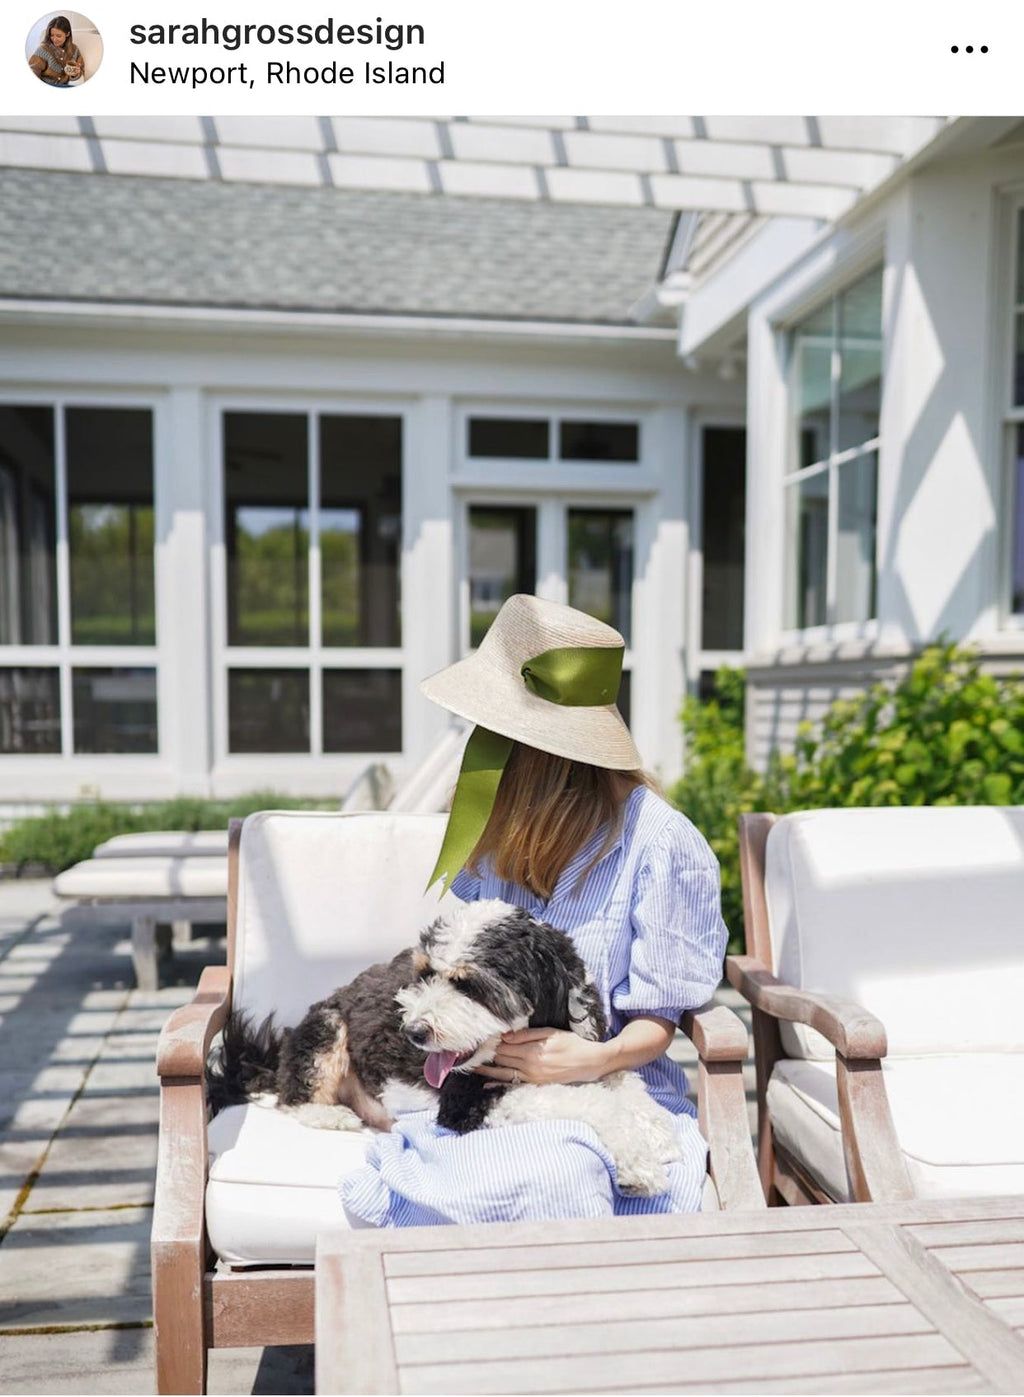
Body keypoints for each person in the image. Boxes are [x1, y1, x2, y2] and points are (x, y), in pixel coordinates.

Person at [339, 593, 728, 1225]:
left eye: (495, 732)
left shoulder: (662, 846)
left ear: (540, 751)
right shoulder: (499, 834)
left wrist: (594, 1058)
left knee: (567, 1172)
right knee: (547, 1173)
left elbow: (659, 1019)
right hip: (492, 1090)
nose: (481, 751)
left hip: (611, 1085)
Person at [28, 17, 84, 86]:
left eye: (58, 36)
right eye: (52, 35)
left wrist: (75, 75)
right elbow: (33, 72)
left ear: (67, 34)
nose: (54, 39)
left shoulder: (75, 50)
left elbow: (79, 71)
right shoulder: (42, 50)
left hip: (65, 86)